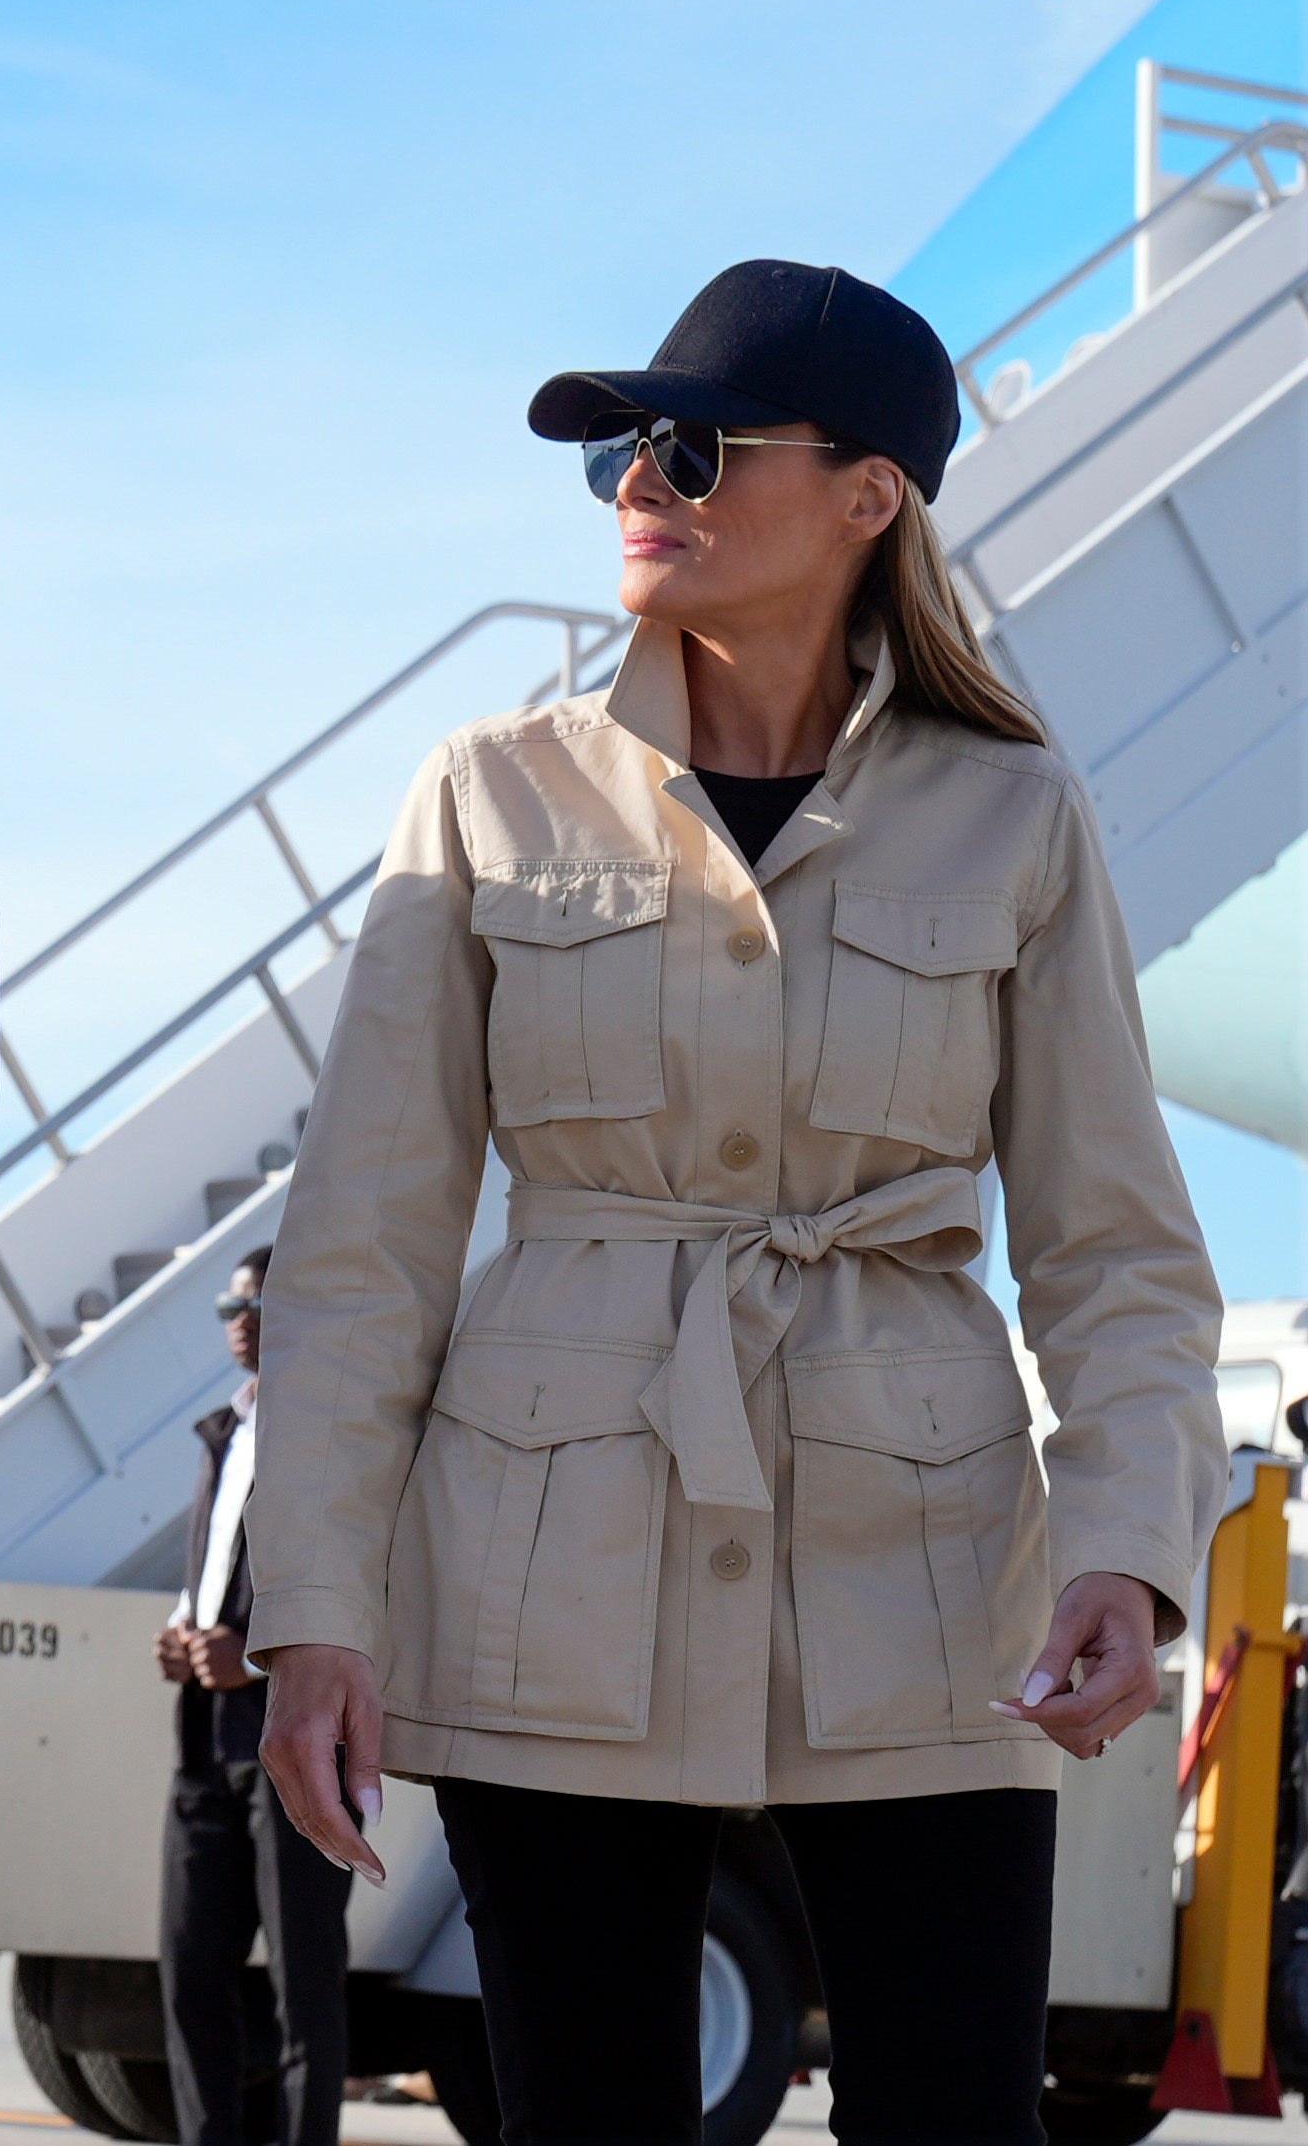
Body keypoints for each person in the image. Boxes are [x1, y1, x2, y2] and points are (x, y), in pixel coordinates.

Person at [247, 259, 1225, 2137]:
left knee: (951, 2121)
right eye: (619, 448)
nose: (639, 481)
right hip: (555, 1560)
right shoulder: (486, 795)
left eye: (690, 447)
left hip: (930, 1575)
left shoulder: (1013, 812)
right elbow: (359, 1253)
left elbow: (1111, 1246)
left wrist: (1126, 1542)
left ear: (869, 494)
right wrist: (316, 1610)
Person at [154, 1246, 350, 2146]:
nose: (239, 1315)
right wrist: (180, 1628)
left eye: (256, 1300)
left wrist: (259, 1659)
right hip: (205, 1744)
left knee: (304, 1982)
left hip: (293, 1739)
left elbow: (367, 1588)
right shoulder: (224, 1431)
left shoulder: (335, 1435)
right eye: (230, 1301)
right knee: (192, 1974)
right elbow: (219, 1566)